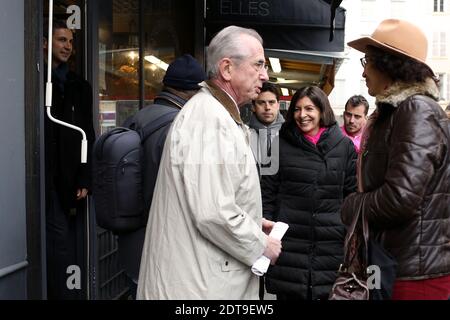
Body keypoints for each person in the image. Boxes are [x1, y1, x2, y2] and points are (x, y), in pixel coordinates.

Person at [136, 25, 282, 300]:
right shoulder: (208, 120)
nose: (265, 75)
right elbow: (213, 212)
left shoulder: (217, 115)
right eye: (258, 64)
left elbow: (213, 198)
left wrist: (251, 221)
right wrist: (260, 244)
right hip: (198, 288)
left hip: (202, 279)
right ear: (227, 69)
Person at [341, 19, 450, 300]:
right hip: (393, 262)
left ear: (389, 65)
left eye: (368, 61)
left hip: (415, 275)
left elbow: (400, 198)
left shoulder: (416, 110)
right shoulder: (396, 111)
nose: (364, 71)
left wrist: (351, 206)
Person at [117, 54, 206, 299]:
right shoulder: (182, 127)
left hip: (130, 236)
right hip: (164, 243)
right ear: (193, 91)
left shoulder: (136, 119)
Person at [261, 86, 357, 300]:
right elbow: (267, 192)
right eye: (297, 109)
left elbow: (352, 197)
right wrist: (266, 234)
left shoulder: (344, 147)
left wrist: (349, 236)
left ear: (322, 110)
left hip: (330, 246)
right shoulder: (279, 144)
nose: (302, 115)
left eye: (309, 108)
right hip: (288, 246)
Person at [43, 20, 96, 299]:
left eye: (71, 41)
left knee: (61, 244)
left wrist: (85, 176)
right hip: (38, 172)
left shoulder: (79, 86)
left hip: (64, 177)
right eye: (61, 40)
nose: (67, 46)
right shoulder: (34, 79)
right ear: (44, 44)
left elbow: (88, 132)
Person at [249, 82, 285, 175]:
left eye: (271, 102)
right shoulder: (244, 136)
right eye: (261, 103)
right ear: (253, 107)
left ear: (278, 105)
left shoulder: (290, 134)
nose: (267, 107)